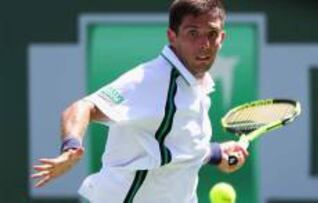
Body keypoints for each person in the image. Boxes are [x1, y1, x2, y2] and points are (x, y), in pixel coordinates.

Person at [31, 0, 249, 202]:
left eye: (212, 33)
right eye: (193, 33)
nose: (204, 44)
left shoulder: (195, 85)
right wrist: (71, 148)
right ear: (172, 36)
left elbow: (172, 146)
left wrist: (217, 154)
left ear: (222, 38)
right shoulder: (151, 80)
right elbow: (83, 107)